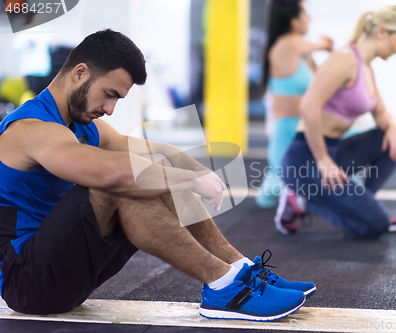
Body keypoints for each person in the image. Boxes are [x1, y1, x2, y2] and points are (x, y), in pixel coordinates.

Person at [0, 29, 316, 321]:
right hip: (28, 282)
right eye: (108, 94)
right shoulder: (32, 130)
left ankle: (240, 270)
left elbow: (153, 150)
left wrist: (194, 169)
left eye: (117, 100)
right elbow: (109, 173)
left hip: (66, 273)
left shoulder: (83, 125)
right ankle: (223, 285)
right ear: (79, 73)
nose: (109, 109)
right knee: (124, 181)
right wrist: (188, 181)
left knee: (150, 170)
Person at [278, 6, 396, 238]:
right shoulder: (344, 59)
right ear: (381, 32)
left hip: (335, 151)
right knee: (376, 225)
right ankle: (298, 200)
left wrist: (393, 126)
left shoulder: (367, 69)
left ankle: (364, 205)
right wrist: (322, 159)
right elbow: (309, 106)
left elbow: (381, 115)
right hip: (306, 158)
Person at [255, 0, 333, 217]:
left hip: (306, 129)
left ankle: (295, 198)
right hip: (286, 130)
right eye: (306, 14)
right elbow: (319, 44)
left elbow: (322, 80)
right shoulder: (287, 45)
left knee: (320, 176)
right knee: (277, 185)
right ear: (294, 21)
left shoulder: (303, 52)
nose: (310, 19)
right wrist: (325, 44)